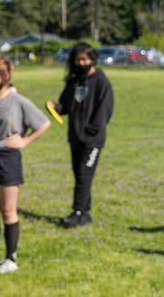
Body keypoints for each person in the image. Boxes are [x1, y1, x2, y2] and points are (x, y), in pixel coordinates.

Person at [0, 57, 50, 273]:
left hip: (7, 159)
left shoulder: (17, 101)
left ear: (5, 76)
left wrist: (24, 141)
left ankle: (10, 258)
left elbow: (44, 123)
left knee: (8, 210)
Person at [46, 42, 113, 228]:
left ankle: (78, 212)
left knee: (84, 175)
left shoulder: (101, 82)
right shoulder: (73, 82)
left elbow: (105, 110)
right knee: (79, 175)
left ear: (92, 59)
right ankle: (85, 212)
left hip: (92, 140)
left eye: (85, 59)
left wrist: (92, 130)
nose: (81, 62)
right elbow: (65, 106)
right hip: (75, 138)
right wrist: (54, 108)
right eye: (78, 59)